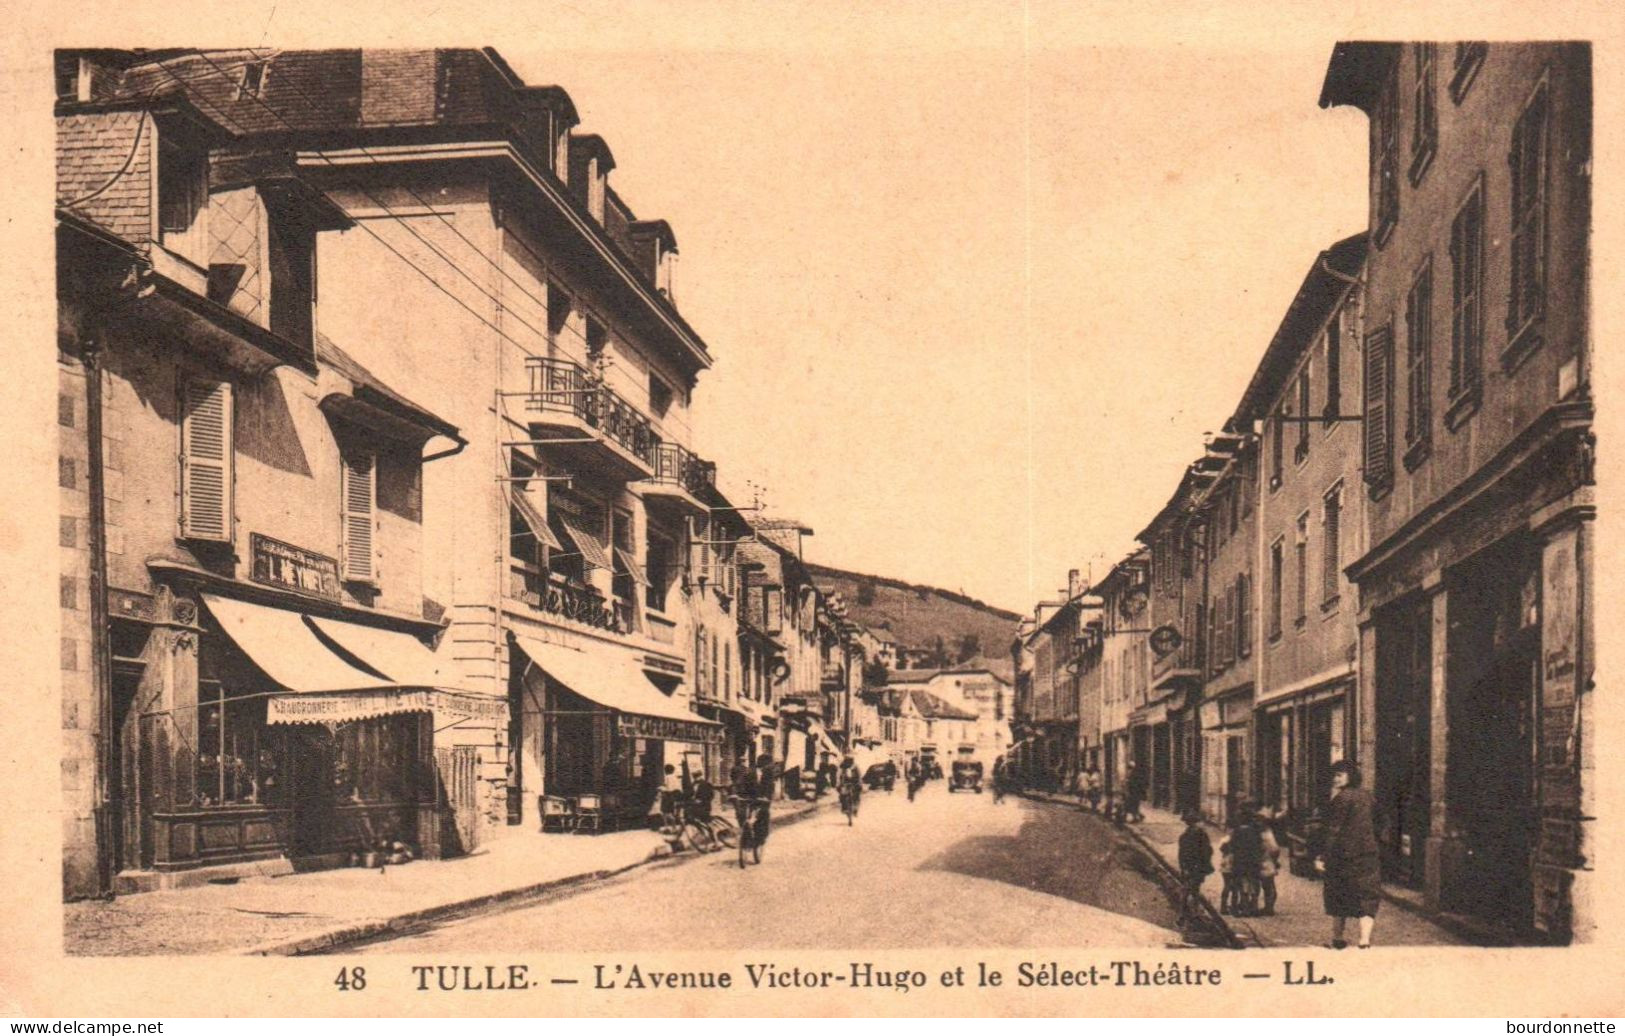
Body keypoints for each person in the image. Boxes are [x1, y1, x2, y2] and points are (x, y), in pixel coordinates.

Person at [1317, 760, 1381, 949]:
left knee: (1338, 894)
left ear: (1350, 776)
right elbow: (1380, 822)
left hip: (1342, 856)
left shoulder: (1341, 799)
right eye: (1334, 775)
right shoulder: (1369, 797)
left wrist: (1324, 856)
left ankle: (1337, 938)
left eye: (1339, 775)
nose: (1335, 779)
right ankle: (1364, 940)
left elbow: (1333, 831)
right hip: (1368, 854)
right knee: (1367, 896)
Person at [1177, 810, 1214, 924]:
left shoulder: (1185, 835)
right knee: (1192, 890)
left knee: (1189, 890)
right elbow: (1207, 851)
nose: (1203, 824)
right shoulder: (1201, 835)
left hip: (1189, 867)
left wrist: (1183, 867)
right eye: (1200, 821)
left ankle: (1188, 913)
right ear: (1195, 823)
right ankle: (1190, 914)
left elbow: (1181, 854)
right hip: (1196, 866)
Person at [1257, 805, 1282, 916]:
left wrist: (1274, 860)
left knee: (1268, 884)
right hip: (1265, 860)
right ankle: (1268, 906)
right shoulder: (1265, 832)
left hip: (1267, 860)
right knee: (1266, 884)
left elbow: (1275, 849)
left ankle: (1269, 907)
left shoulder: (1267, 833)